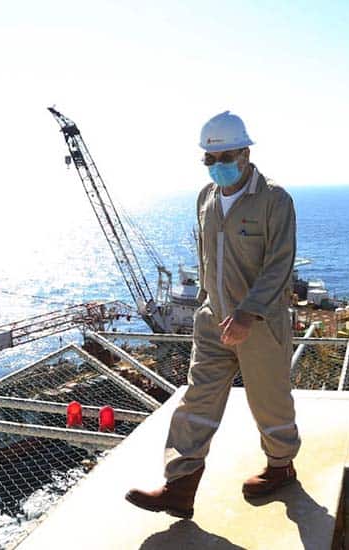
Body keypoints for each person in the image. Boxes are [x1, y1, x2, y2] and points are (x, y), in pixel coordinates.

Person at [126, 111, 301, 518]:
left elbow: (279, 265)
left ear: (245, 153)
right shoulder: (205, 198)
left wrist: (247, 313)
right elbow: (208, 258)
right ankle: (179, 486)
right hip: (212, 320)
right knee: (196, 400)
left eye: (224, 157)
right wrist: (209, 304)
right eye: (209, 159)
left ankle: (281, 467)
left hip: (259, 324)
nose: (216, 166)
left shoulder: (275, 200)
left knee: (269, 401)